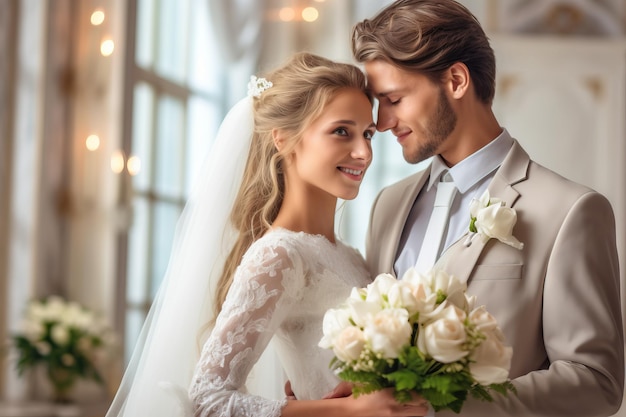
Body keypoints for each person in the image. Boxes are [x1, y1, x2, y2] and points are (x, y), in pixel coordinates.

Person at [338, 0, 624, 416]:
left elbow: (596, 381)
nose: (382, 123)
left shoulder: (572, 211)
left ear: (455, 80)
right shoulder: (388, 204)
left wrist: (446, 405)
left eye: (394, 99)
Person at [105, 52, 429, 417]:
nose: (363, 152)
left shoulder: (350, 255)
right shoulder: (278, 254)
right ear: (283, 138)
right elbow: (208, 399)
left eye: (367, 133)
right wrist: (352, 411)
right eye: (342, 131)